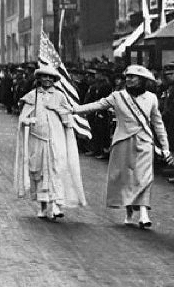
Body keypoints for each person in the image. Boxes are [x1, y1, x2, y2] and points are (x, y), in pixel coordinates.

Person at [70, 65, 174, 228]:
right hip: (122, 142)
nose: (129, 79)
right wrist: (74, 109)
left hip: (145, 141)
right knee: (126, 178)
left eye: (133, 77)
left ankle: (144, 214)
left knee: (144, 177)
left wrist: (165, 146)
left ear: (142, 80)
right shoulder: (118, 96)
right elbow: (97, 105)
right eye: (127, 77)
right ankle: (129, 211)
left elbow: (158, 123)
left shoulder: (152, 98)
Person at [15, 65, 86, 220]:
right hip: (37, 140)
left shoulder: (60, 96)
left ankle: (55, 205)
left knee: (56, 169)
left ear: (54, 80)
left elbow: (68, 117)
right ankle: (42, 206)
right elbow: (22, 117)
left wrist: (57, 109)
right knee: (39, 172)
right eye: (44, 77)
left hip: (55, 139)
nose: (47, 80)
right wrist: (28, 120)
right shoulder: (32, 95)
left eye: (50, 77)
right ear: (39, 79)